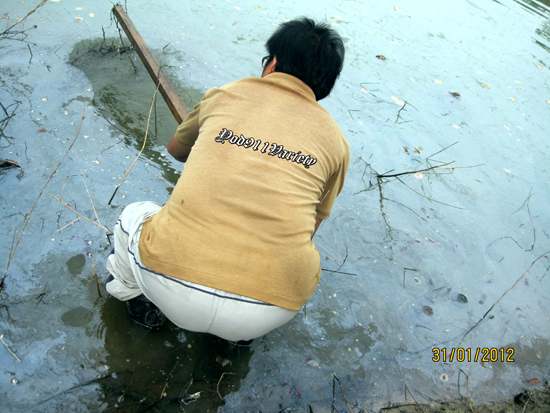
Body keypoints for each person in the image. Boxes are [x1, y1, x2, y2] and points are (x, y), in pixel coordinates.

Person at [105, 17, 349, 342]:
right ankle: (238, 338)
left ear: (272, 63)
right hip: (270, 308)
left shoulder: (227, 95)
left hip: (168, 285)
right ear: (325, 84)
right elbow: (312, 224)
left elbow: (176, 150)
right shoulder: (336, 140)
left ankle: (134, 301)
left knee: (132, 216)